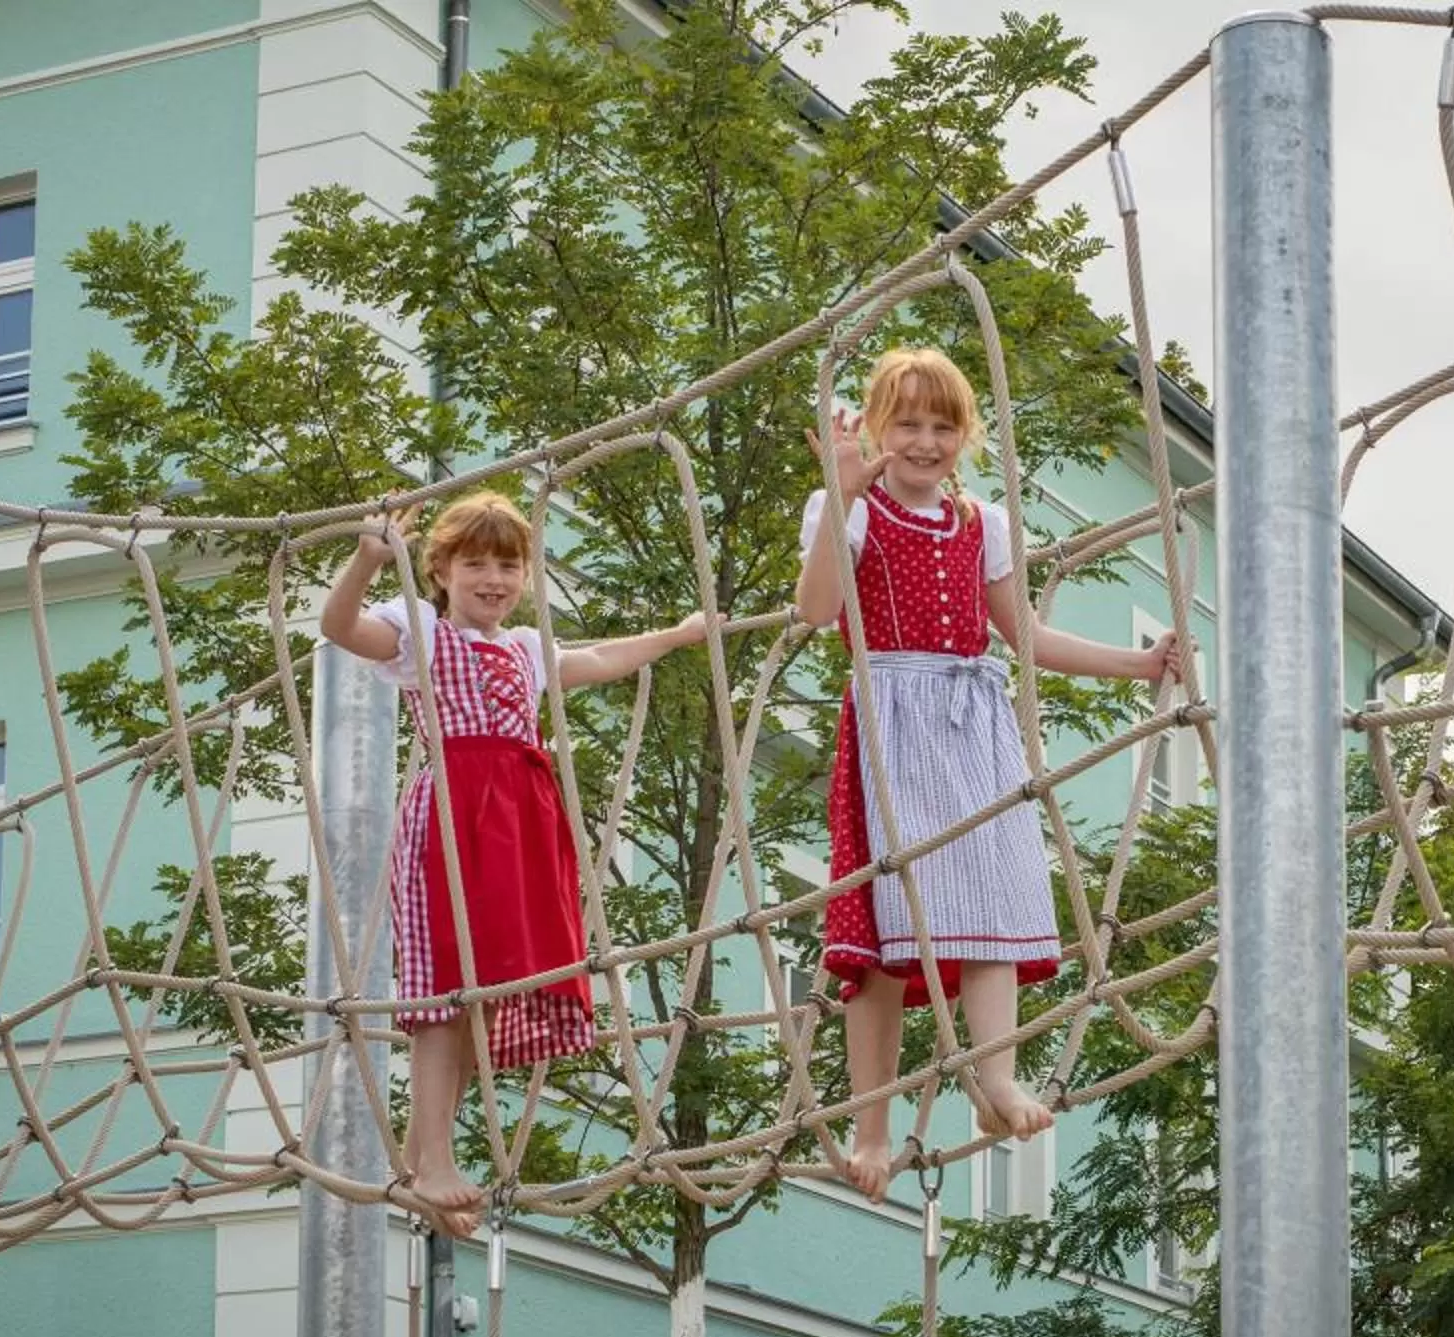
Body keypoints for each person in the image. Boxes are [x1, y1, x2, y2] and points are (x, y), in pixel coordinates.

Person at [795, 347, 1184, 1200]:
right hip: (893, 720)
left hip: (975, 724)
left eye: (942, 426)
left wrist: (1139, 664)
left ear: (966, 434)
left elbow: (1029, 640)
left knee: (994, 894)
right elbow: (817, 610)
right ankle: (871, 1127)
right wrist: (843, 493)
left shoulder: (984, 522)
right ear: (877, 429)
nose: (925, 442)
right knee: (886, 929)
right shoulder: (848, 509)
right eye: (907, 425)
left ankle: (993, 1079)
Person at [320, 491, 708, 1236]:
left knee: (489, 998)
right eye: (475, 564)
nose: (492, 579)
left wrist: (678, 635)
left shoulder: (525, 648)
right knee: (448, 993)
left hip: (522, 826)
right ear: (440, 569)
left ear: (526, 575)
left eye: (508, 565)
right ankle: (434, 1161)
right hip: (455, 817)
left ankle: (417, 1161)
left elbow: (596, 659)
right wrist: (368, 561)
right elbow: (339, 627)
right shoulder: (422, 632)